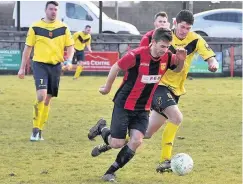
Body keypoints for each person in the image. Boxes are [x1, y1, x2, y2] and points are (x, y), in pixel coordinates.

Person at [90, 10, 219, 173]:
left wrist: (213, 64)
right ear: (175, 23)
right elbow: (143, 56)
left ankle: (108, 140)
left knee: (146, 134)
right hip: (158, 87)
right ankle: (165, 160)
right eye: (182, 26)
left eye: (188, 28)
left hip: (175, 90)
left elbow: (208, 56)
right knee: (176, 117)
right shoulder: (162, 37)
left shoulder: (195, 39)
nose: (184, 31)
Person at [87, 27, 187, 182]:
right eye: (162, 46)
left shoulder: (167, 57)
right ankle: (102, 128)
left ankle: (110, 172)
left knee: (137, 140)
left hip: (143, 108)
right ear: (153, 42)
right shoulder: (137, 55)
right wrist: (107, 88)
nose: (165, 50)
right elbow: (116, 67)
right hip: (124, 104)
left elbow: (177, 69)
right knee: (116, 143)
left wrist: (181, 59)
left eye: (167, 47)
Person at [18, 1, 74, 141]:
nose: (53, 11)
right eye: (51, 9)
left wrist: (69, 60)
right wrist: (22, 67)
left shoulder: (63, 28)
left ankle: (40, 129)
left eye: (56, 9)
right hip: (40, 65)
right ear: (45, 10)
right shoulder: (35, 27)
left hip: (56, 66)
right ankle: (35, 129)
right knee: (41, 96)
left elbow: (70, 46)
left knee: (48, 99)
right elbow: (28, 49)